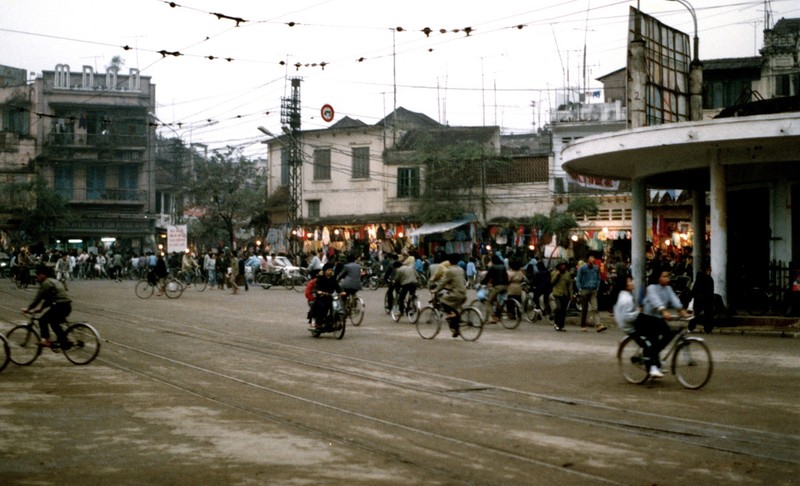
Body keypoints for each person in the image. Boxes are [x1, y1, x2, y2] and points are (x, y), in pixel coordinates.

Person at [614, 276, 664, 378]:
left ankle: (654, 361)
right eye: (629, 281)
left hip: (630, 324)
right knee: (648, 343)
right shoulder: (626, 299)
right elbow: (627, 317)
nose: (632, 282)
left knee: (652, 335)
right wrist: (637, 312)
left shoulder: (624, 295)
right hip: (630, 327)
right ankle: (651, 367)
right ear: (625, 285)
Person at [642, 270, 693, 369]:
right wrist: (663, 311)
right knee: (654, 340)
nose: (667, 279)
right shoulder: (651, 288)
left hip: (659, 318)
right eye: (664, 276)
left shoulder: (668, 289)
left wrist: (682, 312)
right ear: (658, 277)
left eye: (668, 276)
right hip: (648, 318)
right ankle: (650, 362)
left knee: (668, 334)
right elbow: (655, 301)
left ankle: (654, 356)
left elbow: (675, 300)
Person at [21, 265, 72, 349]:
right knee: (54, 323)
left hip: (60, 306)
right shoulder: (53, 281)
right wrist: (41, 309)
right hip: (66, 306)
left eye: (38, 274)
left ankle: (47, 341)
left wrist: (28, 309)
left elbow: (38, 298)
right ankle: (63, 340)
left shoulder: (45, 283)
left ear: (43, 275)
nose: (37, 277)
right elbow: (49, 298)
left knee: (42, 320)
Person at [432, 254, 467, 337]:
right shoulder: (460, 270)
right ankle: (456, 329)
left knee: (443, 301)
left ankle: (453, 315)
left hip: (456, 294)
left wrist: (436, 290)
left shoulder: (449, 271)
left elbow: (443, 282)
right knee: (454, 309)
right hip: (463, 293)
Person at [576, 255, 607, 332]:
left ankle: (598, 325)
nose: (593, 259)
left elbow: (599, 278)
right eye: (591, 257)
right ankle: (583, 325)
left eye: (594, 257)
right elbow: (578, 279)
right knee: (585, 309)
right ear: (588, 259)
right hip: (584, 290)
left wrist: (597, 287)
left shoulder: (596, 268)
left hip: (593, 290)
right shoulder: (582, 268)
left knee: (595, 308)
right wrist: (580, 289)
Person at [311, 263, 343, 327]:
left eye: (331, 270)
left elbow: (337, 287)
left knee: (336, 307)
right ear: (325, 271)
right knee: (323, 306)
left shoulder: (333, 279)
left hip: (330, 296)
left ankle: (331, 321)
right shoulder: (320, 278)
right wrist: (319, 292)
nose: (330, 271)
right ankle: (318, 322)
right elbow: (316, 287)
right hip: (321, 297)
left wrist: (341, 292)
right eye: (328, 270)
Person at [481, 254, 509, 323]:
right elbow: (506, 276)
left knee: (488, 301)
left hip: (497, 286)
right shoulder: (503, 267)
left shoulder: (492, 267)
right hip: (505, 286)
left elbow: (487, 277)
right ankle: (498, 312)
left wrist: (482, 283)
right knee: (497, 300)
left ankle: (493, 317)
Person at [690, 264, 715, 333]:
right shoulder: (709, 279)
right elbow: (711, 290)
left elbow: (694, 289)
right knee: (708, 315)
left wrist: (694, 296)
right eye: (709, 270)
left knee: (698, 315)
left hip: (699, 300)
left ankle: (692, 326)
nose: (710, 271)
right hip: (706, 300)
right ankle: (707, 329)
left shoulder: (699, 278)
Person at [550, 260, 573, 331]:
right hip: (557, 293)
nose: (563, 266)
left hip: (564, 294)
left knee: (563, 310)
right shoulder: (554, 273)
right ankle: (556, 323)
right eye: (561, 265)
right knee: (559, 308)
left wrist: (571, 294)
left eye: (564, 265)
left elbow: (570, 285)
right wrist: (557, 276)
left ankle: (561, 325)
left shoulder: (567, 274)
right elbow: (552, 282)